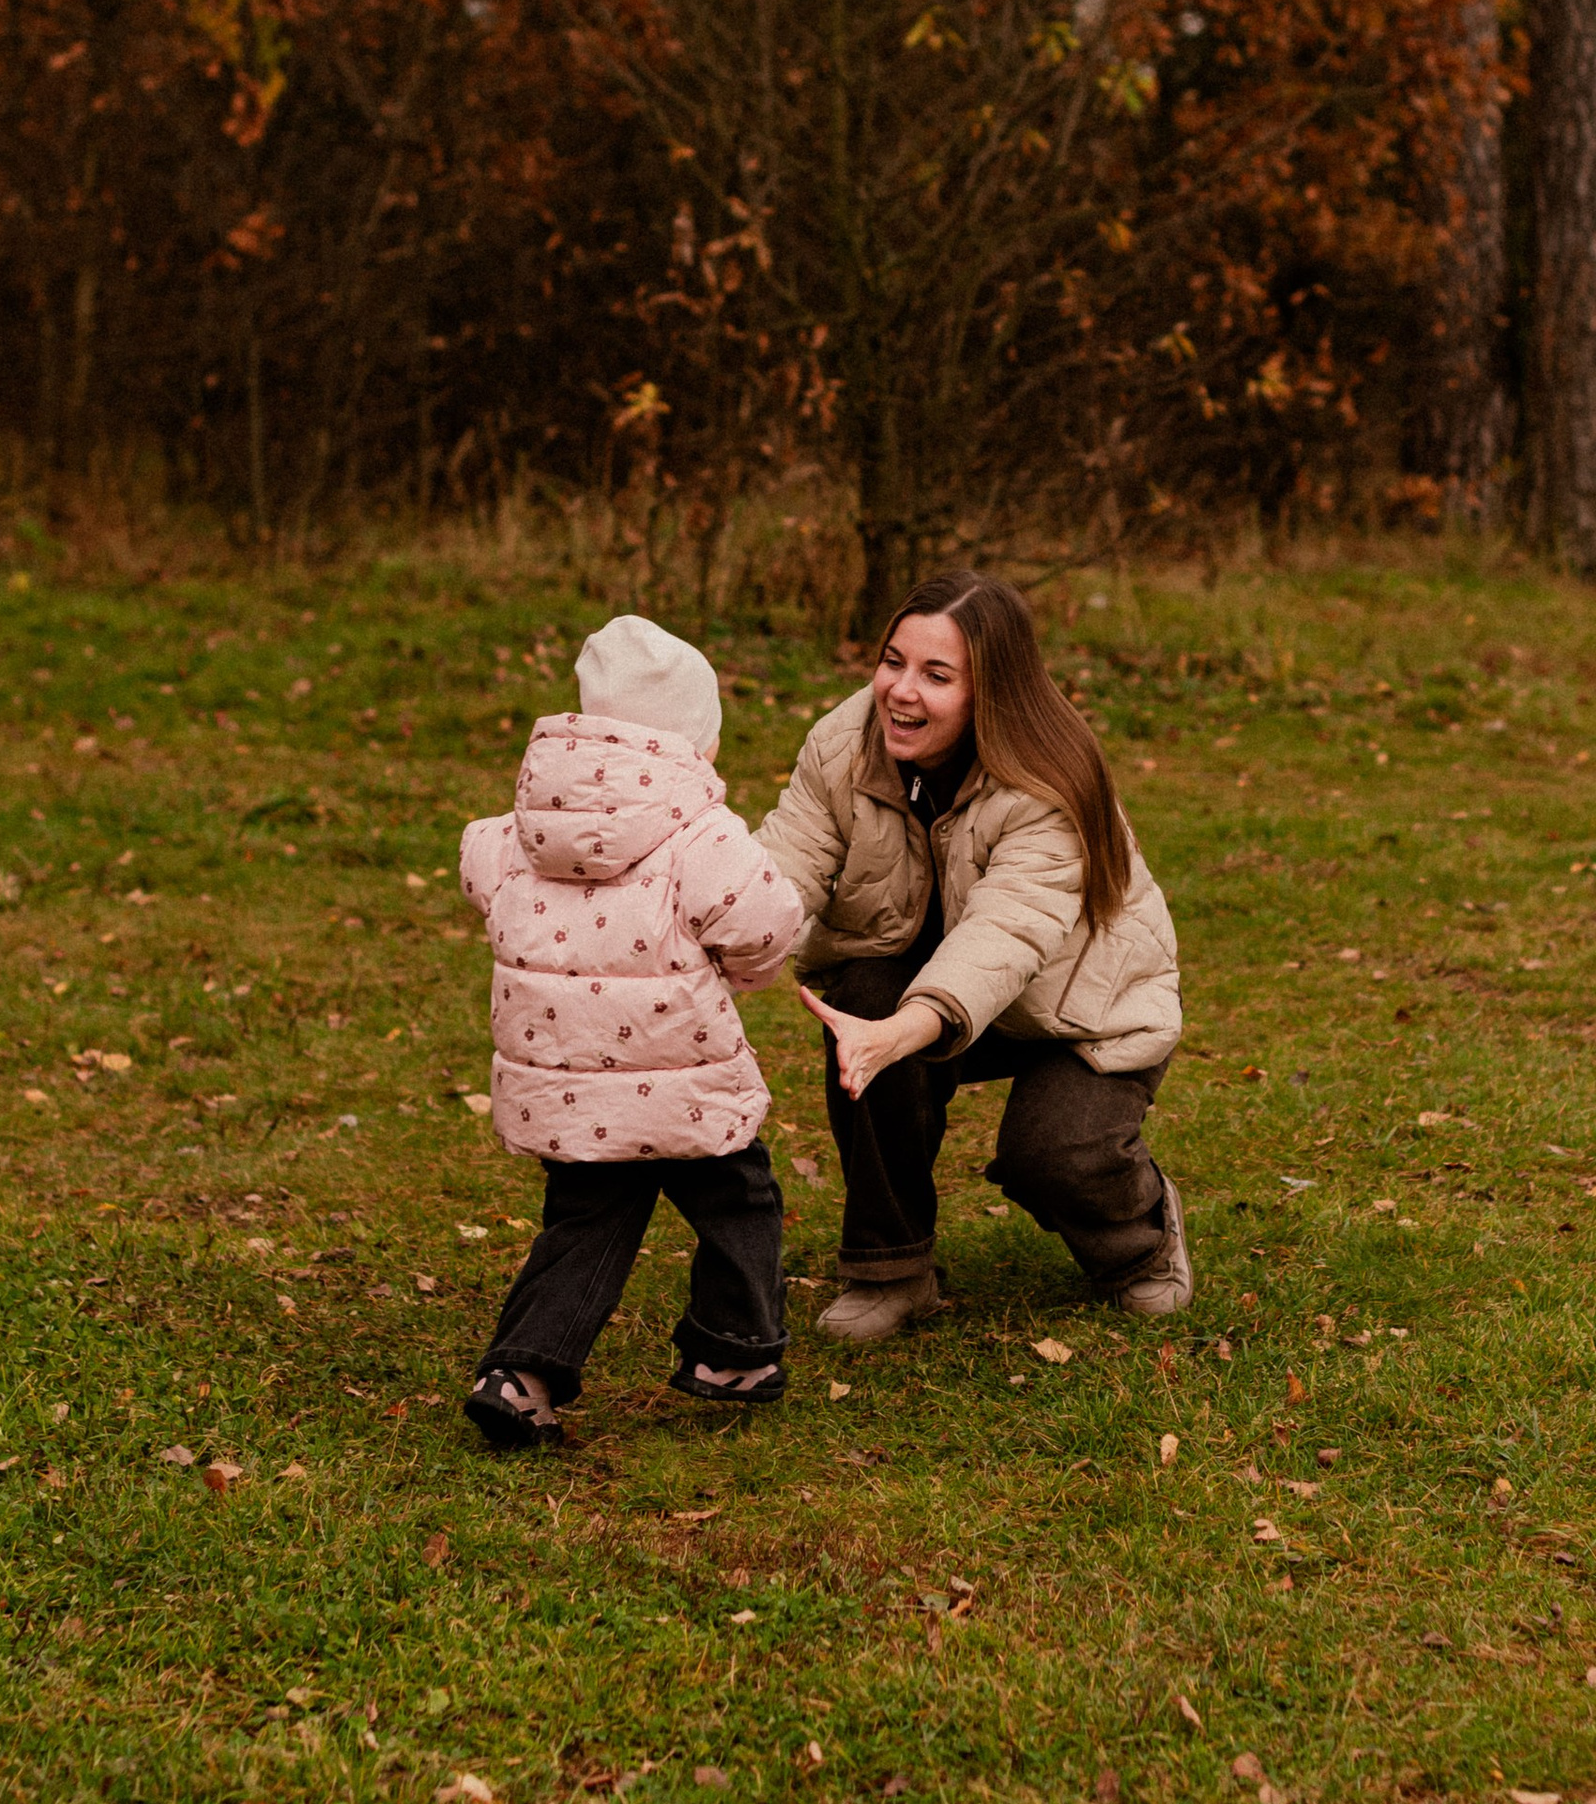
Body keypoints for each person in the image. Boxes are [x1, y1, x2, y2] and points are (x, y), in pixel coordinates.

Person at [759, 569, 1189, 1344]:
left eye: (937, 674)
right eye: (893, 661)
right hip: (931, 989)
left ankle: (1143, 1241)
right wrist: (702, 948)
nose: (901, 690)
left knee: (1050, 1154)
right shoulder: (843, 744)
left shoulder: (1048, 782)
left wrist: (901, 1029)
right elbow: (780, 870)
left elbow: (1005, 937)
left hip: (1079, 1006)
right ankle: (892, 1269)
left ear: (991, 689)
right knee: (863, 993)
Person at [456, 614, 804, 1442]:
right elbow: (766, 923)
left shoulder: (518, 832)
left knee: (586, 1222)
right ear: (694, 740)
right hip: (685, 1085)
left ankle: (521, 1374)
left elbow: (480, 880)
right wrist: (744, 973)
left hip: (572, 1089)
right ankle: (733, 1348)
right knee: (742, 1203)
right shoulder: (700, 833)